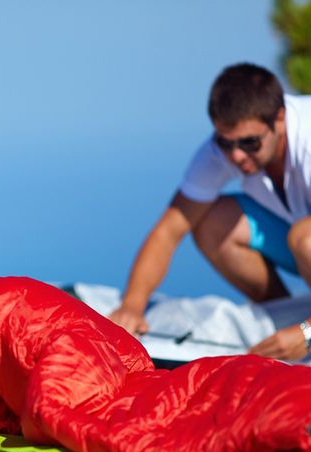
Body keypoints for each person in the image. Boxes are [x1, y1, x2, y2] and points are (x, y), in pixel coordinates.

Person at [109, 62, 311, 360]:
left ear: (279, 118)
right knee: (210, 222)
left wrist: (308, 335)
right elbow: (168, 231)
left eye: (249, 142)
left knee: (304, 238)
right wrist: (132, 307)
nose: (236, 156)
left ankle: (301, 334)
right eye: (225, 143)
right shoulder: (223, 153)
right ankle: (284, 319)